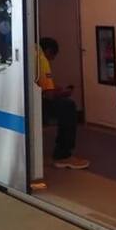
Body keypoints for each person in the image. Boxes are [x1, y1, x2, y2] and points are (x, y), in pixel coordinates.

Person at [37, 37, 90, 170]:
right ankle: (63, 154)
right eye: (52, 57)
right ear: (48, 51)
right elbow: (49, 95)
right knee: (68, 106)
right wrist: (62, 93)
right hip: (36, 103)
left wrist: (55, 89)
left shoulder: (31, 51)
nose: (51, 60)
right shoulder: (42, 60)